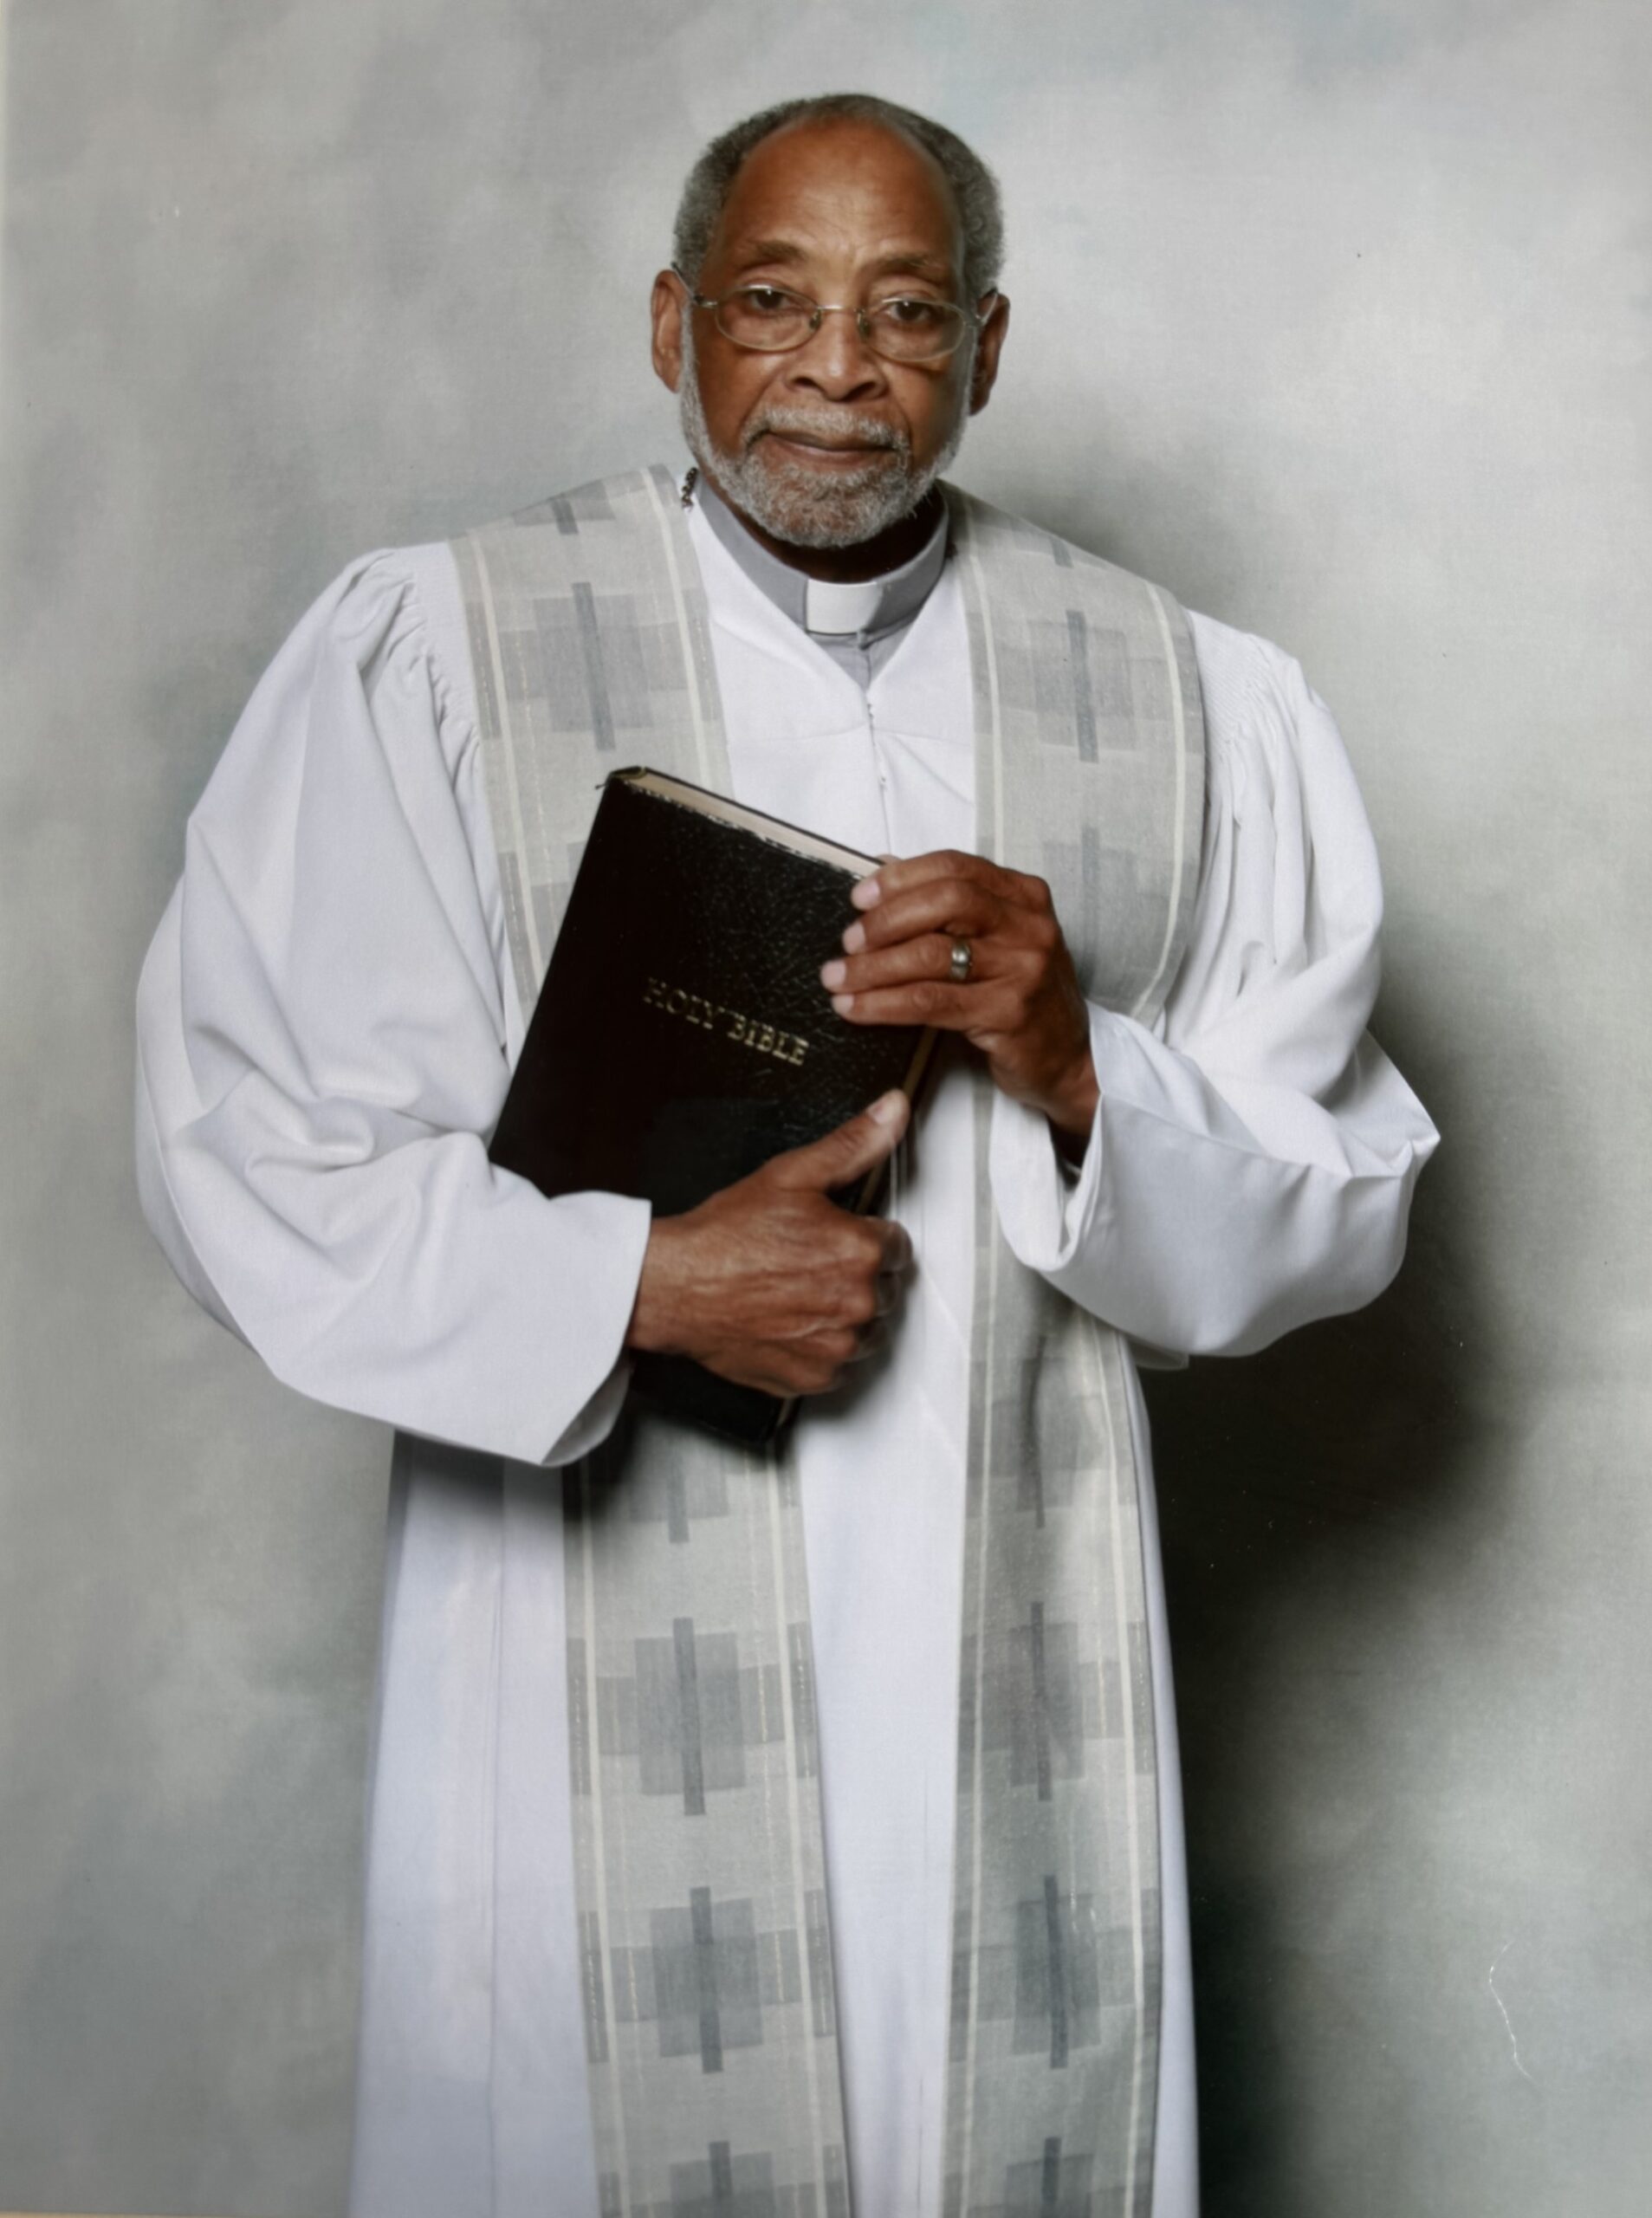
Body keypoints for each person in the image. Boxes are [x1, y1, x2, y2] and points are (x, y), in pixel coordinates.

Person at [134, 91, 1439, 2218]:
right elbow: (246, 1143)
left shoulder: (1187, 699)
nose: (838, 366)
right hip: (571, 1657)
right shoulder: (445, 651)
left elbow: (1344, 1188)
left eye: (906, 311)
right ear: (674, 324)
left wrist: (1080, 1063)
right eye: (773, 301)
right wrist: (639, 1286)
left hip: (1010, 1666)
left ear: (986, 349)